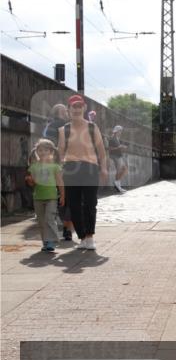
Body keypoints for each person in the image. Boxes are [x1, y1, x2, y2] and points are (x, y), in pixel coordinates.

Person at [58, 94, 108, 250]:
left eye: (80, 106)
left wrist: (104, 168)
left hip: (90, 168)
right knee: (73, 205)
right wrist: (58, 172)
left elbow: (101, 150)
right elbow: (60, 153)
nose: (77, 109)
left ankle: (90, 236)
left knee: (90, 203)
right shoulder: (63, 130)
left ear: (84, 108)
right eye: (74, 106)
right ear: (69, 109)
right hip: (70, 169)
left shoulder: (93, 127)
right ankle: (81, 237)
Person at [25, 138, 65, 253]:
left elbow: (60, 182)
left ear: (51, 152)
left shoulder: (55, 167)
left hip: (51, 197)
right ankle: (45, 242)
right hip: (38, 197)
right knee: (41, 221)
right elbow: (33, 183)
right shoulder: (33, 167)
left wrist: (62, 195)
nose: (43, 152)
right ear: (37, 152)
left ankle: (51, 241)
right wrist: (29, 180)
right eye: (40, 150)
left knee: (49, 219)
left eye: (46, 150)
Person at [43, 103, 74, 241]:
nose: (67, 111)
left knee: (63, 196)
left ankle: (66, 227)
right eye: (64, 110)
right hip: (63, 165)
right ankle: (66, 227)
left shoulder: (68, 125)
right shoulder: (57, 126)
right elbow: (50, 145)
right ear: (59, 112)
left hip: (67, 164)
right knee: (65, 196)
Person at [106, 125, 128, 191]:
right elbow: (109, 149)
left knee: (123, 170)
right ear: (116, 131)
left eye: (121, 131)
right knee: (122, 170)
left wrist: (122, 147)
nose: (121, 132)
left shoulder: (117, 138)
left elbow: (118, 147)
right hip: (115, 156)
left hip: (119, 156)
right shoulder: (112, 138)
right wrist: (119, 147)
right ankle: (117, 184)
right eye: (120, 131)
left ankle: (117, 184)